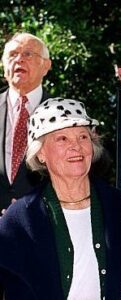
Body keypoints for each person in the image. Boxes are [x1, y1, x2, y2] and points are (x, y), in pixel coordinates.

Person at [0, 98, 121, 300]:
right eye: (62, 139)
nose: (76, 147)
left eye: (83, 137)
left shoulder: (120, 207)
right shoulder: (19, 220)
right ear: (41, 153)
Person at [0, 32, 51, 212]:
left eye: (28, 54)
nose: (19, 60)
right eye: (12, 55)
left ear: (46, 66)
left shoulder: (62, 115)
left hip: (41, 222)